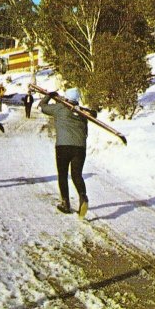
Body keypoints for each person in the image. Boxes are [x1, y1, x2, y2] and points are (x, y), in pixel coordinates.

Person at [38, 88, 89, 217]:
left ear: (66, 98)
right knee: (77, 175)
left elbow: (42, 107)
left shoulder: (59, 108)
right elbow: (86, 133)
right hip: (80, 147)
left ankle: (65, 203)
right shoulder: (83, 113)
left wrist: (49, 95)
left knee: (62, 174)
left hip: (63, 146)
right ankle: (83, 197)